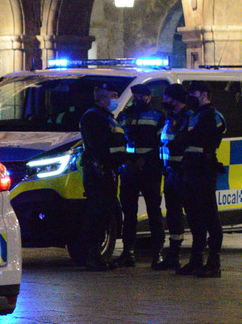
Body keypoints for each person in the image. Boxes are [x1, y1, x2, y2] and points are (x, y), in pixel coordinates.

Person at [178, 80, 227, 278]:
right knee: (193, 215)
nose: (190, 96)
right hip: (190, 168)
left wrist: (187, 137)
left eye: (193, 92)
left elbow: (204, 137)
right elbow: (181, 139)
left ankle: (214, 261)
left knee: (209, 215)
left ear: (204, 94)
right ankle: (196, 259)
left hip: (204, 168)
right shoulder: (193, 115)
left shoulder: (213, 116)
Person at [115, 84, 166, 268]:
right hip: (130, 169)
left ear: (149, 97)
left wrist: (144, 160)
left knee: (154, 211)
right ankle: (128, 252)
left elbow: (160, 143)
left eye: (141, 96)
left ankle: (158, 253)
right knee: (129, 213)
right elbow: (119, 138)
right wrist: (127, 160)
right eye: (135, 95)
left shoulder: (157, 116)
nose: (137, 99)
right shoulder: (125, 115)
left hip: (150, 169)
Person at [79, 83, 127, 271]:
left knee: (104, 212)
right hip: (99, 172)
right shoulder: (93, 117)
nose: (114, 99)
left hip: (108, 171)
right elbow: (98, 147)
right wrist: (105, 165)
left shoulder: (107, 117)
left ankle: (95, 255)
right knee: (97, 213)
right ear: (101, 98)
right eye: (111, 96)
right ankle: (92, 255)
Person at [156, 83, 192, 270]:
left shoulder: (188, 118)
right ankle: (174, 255)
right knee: (173, 215)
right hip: (170, 172)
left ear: (176, 99)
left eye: (167, 98)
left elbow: (182, 143)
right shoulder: (170, 118)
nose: (164, 101)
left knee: (193, 214)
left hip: (184, 173)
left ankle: (197, 256)